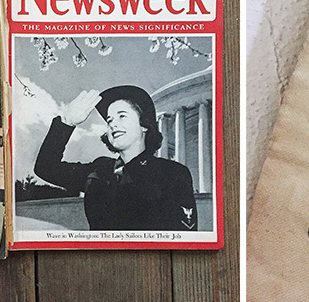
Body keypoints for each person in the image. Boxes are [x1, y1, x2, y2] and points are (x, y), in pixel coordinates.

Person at [34, 85, 198, 231]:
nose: (112, 124)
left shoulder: (172, 173)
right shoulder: (100, 170)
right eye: (109, 120)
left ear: (144, 126)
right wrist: (66, 123)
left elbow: (182, 237)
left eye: (122, 116)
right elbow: (45, 168)